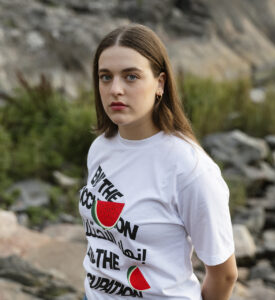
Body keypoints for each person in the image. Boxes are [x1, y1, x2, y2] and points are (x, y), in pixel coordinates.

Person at [79, 23, 237, 300]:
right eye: (105, 77)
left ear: (160, 84)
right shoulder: (100, 148)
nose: (115, 89)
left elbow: (224, 274)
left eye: (131, 77)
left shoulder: (190, 169)